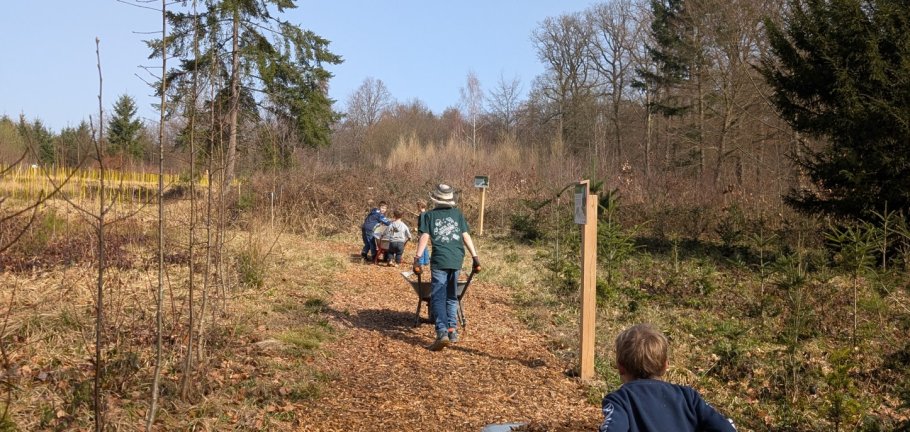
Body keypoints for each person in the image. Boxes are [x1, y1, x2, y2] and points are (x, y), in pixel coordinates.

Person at [599, 324, 737, 432]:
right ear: (666, 365)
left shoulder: (621, 400)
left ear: (620, 367)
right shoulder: (688, 397)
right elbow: (726, 428)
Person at [413, 184, 481, 351]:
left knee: (437, 296)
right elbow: (466, 236)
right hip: (457, 259)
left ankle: (442, 331)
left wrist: (417, 258)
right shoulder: (457, 214)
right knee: (452, 296)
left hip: (440, 260)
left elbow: (425, 237)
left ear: (435, 199)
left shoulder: (428, 216)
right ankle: (452, 330)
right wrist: (475, 257)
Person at [415, 199, 430, 266]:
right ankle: (426, 261)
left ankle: (420, 261)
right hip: (426, 232)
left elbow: (422, 225)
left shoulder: (422, 215)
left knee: (421, 246)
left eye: (417, 206)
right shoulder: (427, 214)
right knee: (425, 247)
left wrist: (419, 234)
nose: (417, 208)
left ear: (420, 206)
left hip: (422, 233)